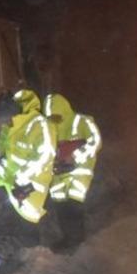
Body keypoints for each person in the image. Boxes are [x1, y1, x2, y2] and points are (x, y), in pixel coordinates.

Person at [0, 89, 57, 232]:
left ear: (16, 111)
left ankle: (31, 237)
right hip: (9, 169)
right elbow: (2, 143)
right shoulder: (12, 124)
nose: (5, 121)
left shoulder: (40, 124)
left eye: (6, 117)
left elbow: (44, 156)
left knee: (27, 214)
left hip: (31, 178)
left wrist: (23, 177)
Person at [42, 93, 102, 250]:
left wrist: (75, 157)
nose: (54, 120)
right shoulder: (49, 128)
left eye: (56, 115)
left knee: (73, 205)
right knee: (60, 207)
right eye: (50, 117)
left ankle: (77, 242)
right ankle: (69, 240)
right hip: (59, 174)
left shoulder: (82, 121)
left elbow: (95, 141)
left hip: (79, 171)